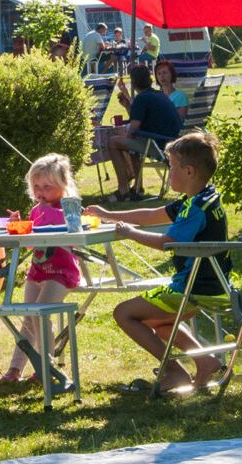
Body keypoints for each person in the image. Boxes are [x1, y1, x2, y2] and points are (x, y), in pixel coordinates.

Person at [86, 131, 232, 394]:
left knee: (124, 313)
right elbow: (154, 214)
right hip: (213, 286)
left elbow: (167, 242)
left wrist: (129, 232)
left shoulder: (194, 208)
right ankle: (205, 361)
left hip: (193, 288)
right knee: (160, 322)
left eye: (171, 167)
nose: (169, 172)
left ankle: (174, 372)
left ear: (188, 171)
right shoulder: (202, 197)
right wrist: (109, 215)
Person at [0, 154, 82, 384]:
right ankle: (15, 369)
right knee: (29, 317)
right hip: (38, 271)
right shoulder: (37, 210)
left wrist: (50, 219)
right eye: (36, 187)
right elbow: (33, 242)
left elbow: (73, 236)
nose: (40, 192)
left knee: (40, 315)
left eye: (47, 187)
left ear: (63, 185)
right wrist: (19, 224)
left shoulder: (69, 207)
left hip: (61, 272)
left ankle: (46, 366)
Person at [110, 63, 181, 201]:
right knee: (131, 143)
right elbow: (141, 120)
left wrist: (125, 138)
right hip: (172, 142)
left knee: (113, 142)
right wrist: (128, 107)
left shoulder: (142, 98)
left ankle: (123, 189)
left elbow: (134, 128)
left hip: (159, 145)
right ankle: (137, 186)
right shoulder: (158, 95)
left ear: (134, 83)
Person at [154, 58, 189, 123]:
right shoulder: (156, 96)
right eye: (159, 74)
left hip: (169, 131)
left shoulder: (180, 96)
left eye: (164, 73)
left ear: (172, 74)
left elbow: (180, 120)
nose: (162, 76)